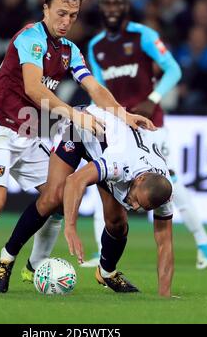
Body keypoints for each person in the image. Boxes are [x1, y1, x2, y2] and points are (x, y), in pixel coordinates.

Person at [0, 0, 153, 294]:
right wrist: (74, 114)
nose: (66, 21)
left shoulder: (70, 50)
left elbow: (94, 87)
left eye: (72, 15)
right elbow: (33, 87)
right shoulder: (31, 38)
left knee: (56, 197)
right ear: (45, 10)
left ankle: (34, 268)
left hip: (31, 133)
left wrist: (123, 114)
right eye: (60, 13)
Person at [81, 0, 207, 269]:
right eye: (107, 4)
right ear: (102, 9)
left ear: (126, 7)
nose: (113, 8)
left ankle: (203, 241)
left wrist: (152, 99)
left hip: (151, 125)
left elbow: (173, 69)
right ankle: (101, 253)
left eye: (118, 3)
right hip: (118, 125)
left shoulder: (143, 35)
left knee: (170, 183)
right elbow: (99, 88)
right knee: (103, 180)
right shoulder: (96, 46)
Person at [62, 105, 174, 296]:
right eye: (138, 200)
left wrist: (165, 295)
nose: (135, 206)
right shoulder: (120, 162)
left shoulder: (163, 193)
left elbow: (165, 244)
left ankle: (105, 272)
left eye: (142, 208)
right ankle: (18, 261)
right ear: (140, 180)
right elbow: (74, 181)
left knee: (117, 223)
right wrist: (71, 227)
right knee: (54, 198)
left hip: (110, 147)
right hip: (86, 128)